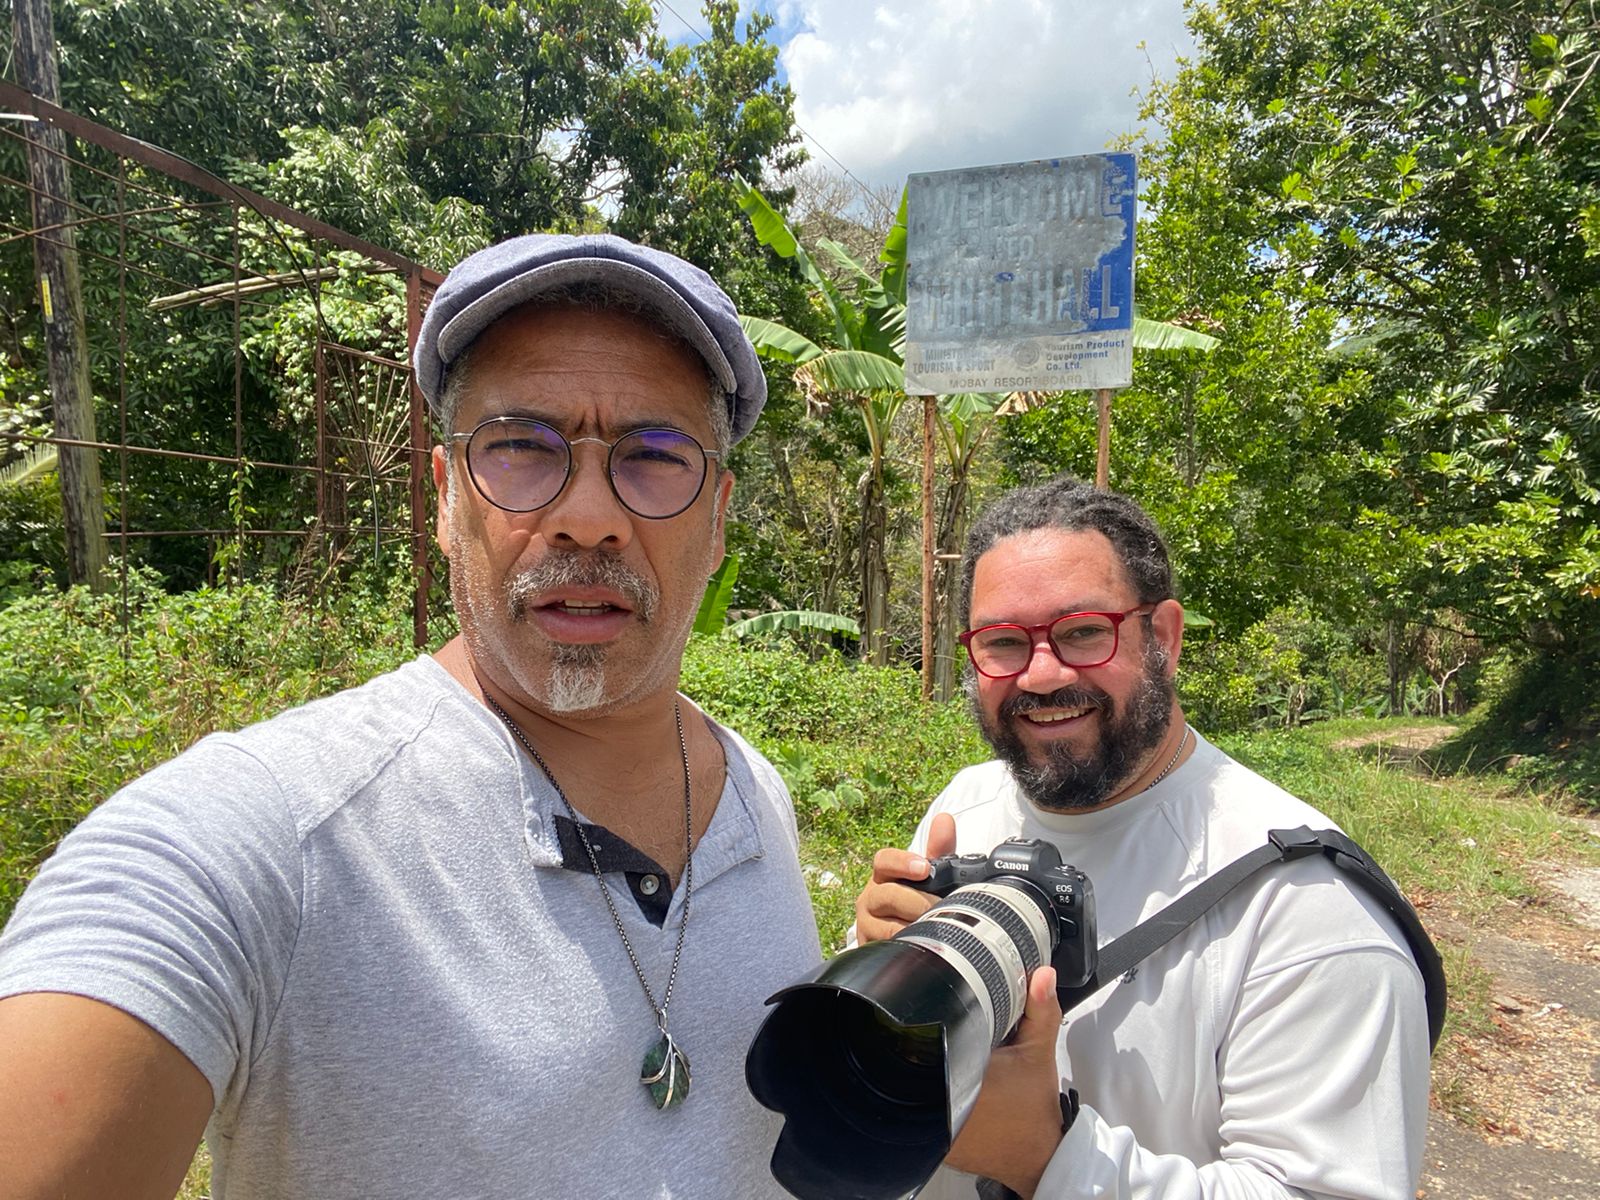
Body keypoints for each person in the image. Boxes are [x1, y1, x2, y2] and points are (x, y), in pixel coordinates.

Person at [0, 234, 822, 1199]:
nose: (590, 516)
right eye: (522, 448)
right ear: (443, 497)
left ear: (718, 518)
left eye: (653, 457)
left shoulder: (756, 794)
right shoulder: (277, 843)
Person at [856, 476, 1430, 1200]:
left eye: (1082, 632)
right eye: (1002, 642)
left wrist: (1045, 1159)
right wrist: (880, 962)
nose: (1041, 675)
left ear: (1163, 638)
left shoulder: (1305, 904)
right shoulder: (965, 805)